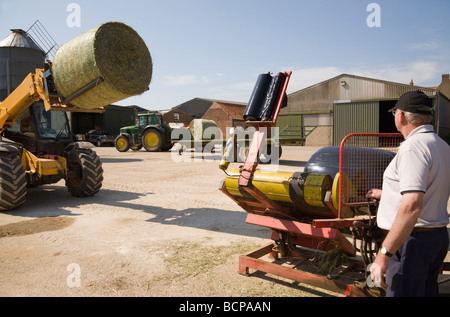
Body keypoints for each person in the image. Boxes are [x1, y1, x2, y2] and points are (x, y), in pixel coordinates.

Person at [366, 90, 450, 297]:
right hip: (436, 237)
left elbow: (412, 205)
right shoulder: (442, 146)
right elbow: (428, 187)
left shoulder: (413, 147)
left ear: (400, 115)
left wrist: (384, 254)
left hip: (411, 242)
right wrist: (386, 194)